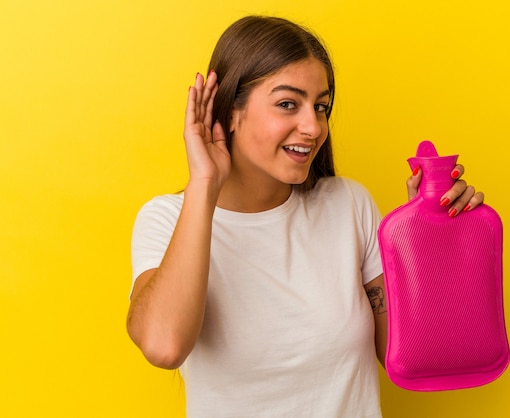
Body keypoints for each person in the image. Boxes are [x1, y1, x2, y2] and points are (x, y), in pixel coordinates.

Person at [127, 15, 484, 418]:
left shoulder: (349, 205)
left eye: (321, 106)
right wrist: (204, 184)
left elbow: (409, 355)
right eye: (287, 104)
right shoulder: (168, 219)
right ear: (230, 111)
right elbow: (164, 346)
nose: (313, 127)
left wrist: (425, 239)